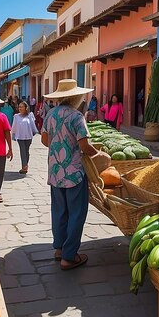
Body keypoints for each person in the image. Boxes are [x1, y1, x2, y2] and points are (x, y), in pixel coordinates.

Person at [42, 79, 107, 271]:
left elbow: (45, 140)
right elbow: (84, 145)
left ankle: (60, 249)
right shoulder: (77, 117)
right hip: (74, 173)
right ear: (76, 97)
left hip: (55, 172)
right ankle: (69, 257)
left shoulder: (50, 114)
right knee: (76, 214)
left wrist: (59, 147)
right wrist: (99, 154)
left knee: (59, 212)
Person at [11, 101, 37, 174]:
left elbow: (32, 125)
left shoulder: (30, 116)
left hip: (28, 136)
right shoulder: (16, 116)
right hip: (20, 136)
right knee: (22, 151)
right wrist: (13, 134)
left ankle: (25, 165)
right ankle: (24, 166)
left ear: (26, 108)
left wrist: (34, 132)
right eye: (19, 107)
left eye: (22, 107)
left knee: (26, 151)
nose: (20, 108)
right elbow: (14, 126)